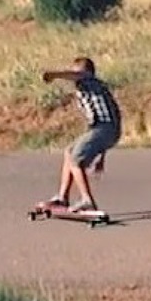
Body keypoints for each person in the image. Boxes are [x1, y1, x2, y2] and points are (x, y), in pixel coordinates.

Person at [41, 57, 121, 213]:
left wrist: (53, 75)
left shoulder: (90, 81)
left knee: (76, 159)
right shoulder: (94, 89)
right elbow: (109, 116)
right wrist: (101, 156)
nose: (74, 76)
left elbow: (78, 75)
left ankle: (87, 200)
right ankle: (62, 198)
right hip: (102, 130)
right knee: (69, 152)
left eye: (76, 71)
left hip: (104, 129)